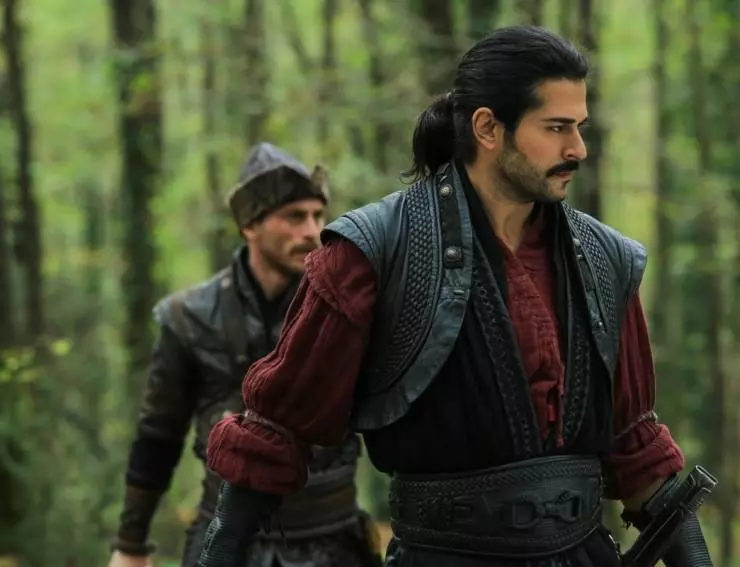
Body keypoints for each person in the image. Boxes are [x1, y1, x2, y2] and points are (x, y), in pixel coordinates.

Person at [196, 27, 714, 567]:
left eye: (579, 127)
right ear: (488, 128)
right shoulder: (376, 250)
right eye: (557, 127)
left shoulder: (605, 258)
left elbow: (635, 449)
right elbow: (277, 431)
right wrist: (222, 550)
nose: (577, 149)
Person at [107, 142, 382, 567]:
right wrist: (130, 545)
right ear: (250, 226)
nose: (312, 231)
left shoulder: (349, 308)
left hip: (334, 541)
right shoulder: (188, 317)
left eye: (317, 215)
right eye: (294, 217)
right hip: (224, 540)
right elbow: (158, 436)